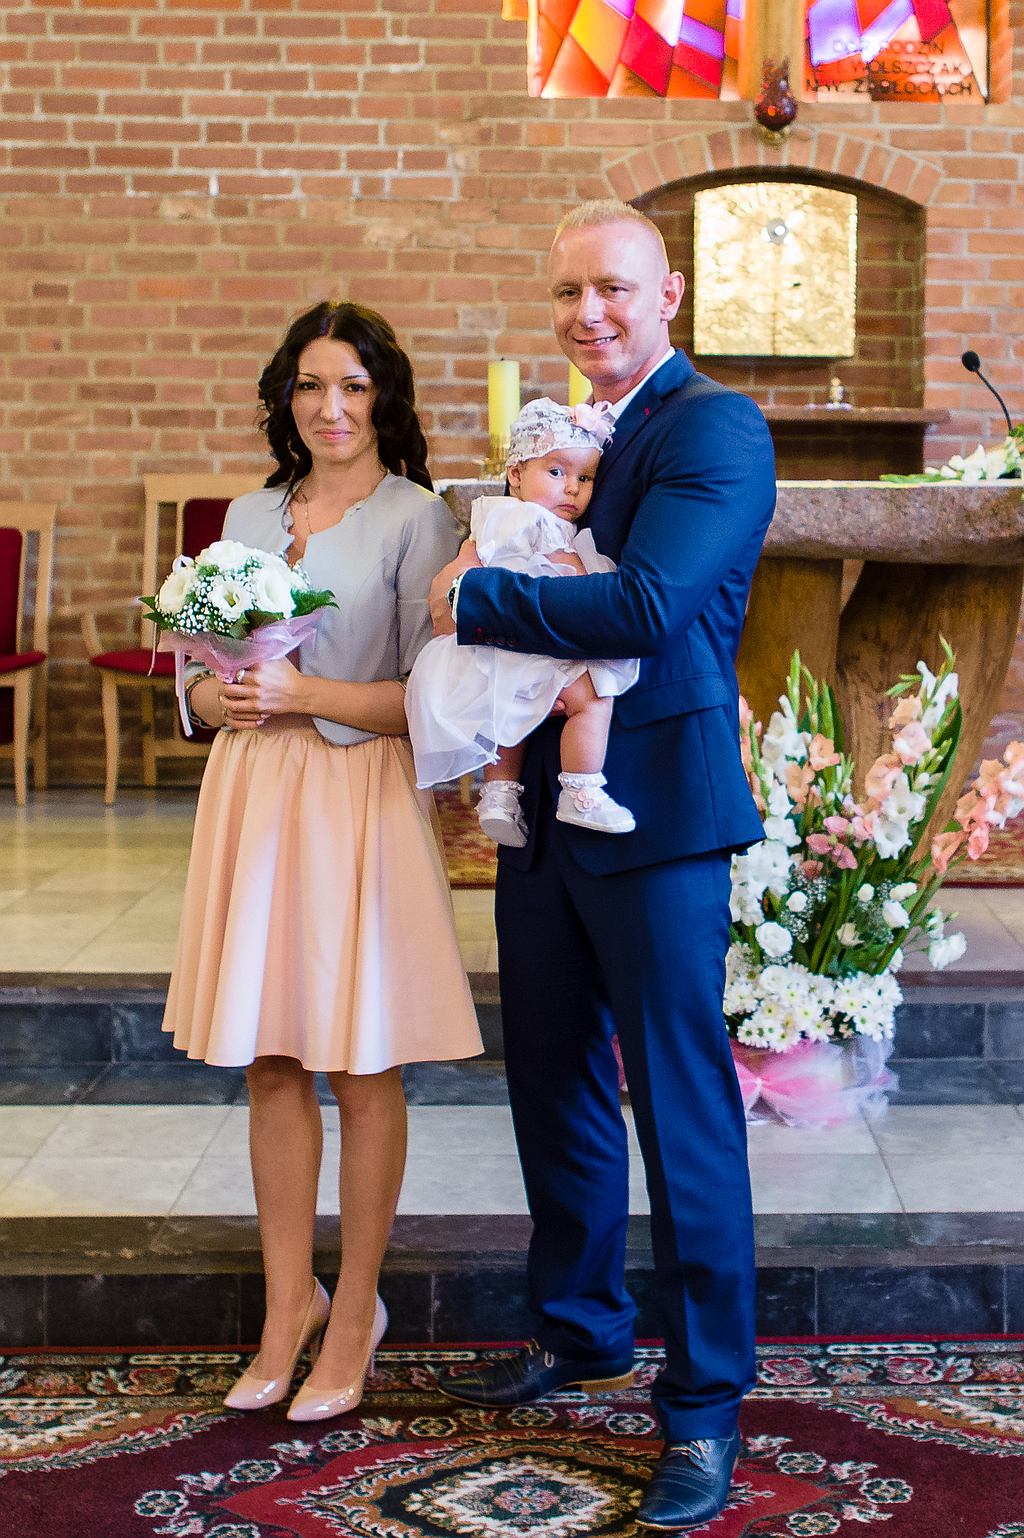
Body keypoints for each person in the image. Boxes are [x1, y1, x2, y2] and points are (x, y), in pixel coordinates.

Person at [429, 201, 776, 1532]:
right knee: (552, 1078)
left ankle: (703, 1404)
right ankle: (580, 1329)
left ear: (668, 293)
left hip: (662, 814)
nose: (589, 313)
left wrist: (477, 594)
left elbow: (643, 606)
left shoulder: (712, 428)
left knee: (678, 1107)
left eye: (614, 288)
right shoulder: (563, 436)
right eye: (568, 290)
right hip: (546, 810)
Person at [162, 300, 482, 1424]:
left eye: (351, 384)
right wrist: (222, 699)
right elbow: (193, 678)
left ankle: (355, 1315)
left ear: (383, 396)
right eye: (309, 385)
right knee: (269, 1059)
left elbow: (432, 699)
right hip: (253, 791)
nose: (329, 407)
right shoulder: (248, 513)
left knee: (361, 1061)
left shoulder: (417, 519)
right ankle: (286, 1304)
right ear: (285, 397)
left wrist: (303, 693)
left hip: (356, 795)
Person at [405, 396, 638, 845]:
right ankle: (582, 789)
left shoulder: (503, 518)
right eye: (557, 472)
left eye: (584, 477)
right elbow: (547, 572)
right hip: (525, 633)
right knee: (594, 697)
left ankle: (498, 795)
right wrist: (590, 579)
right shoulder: (529, 520)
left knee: (507, 714)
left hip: (500, 643)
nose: (572, 489)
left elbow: (475, 564)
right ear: (515, 475)